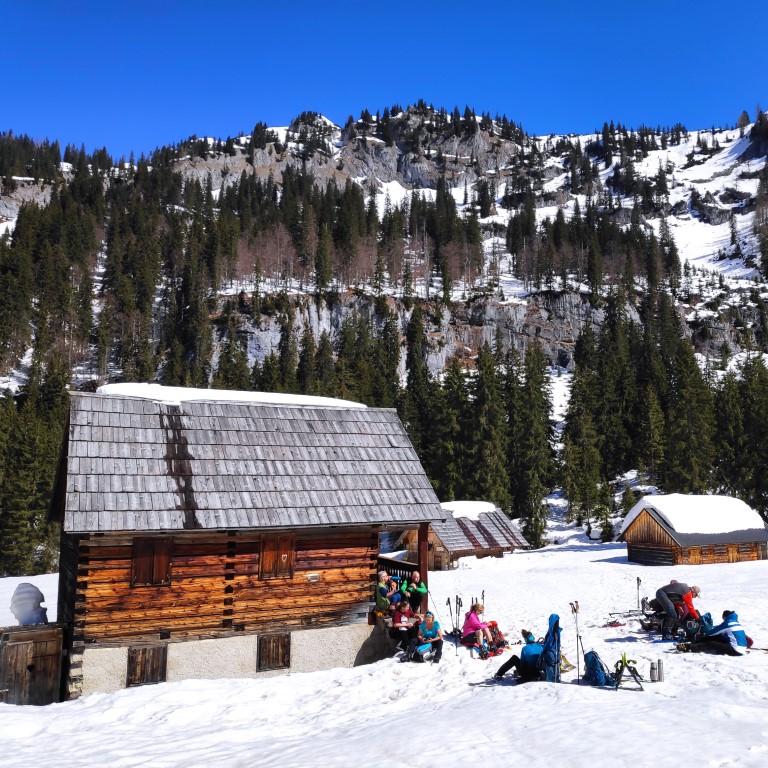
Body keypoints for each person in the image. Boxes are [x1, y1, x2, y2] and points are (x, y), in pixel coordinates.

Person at [680, 610, 749, 655]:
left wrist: (705, 635)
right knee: (718, 637)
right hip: (742, 648)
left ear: (725, 617)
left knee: (711, 643)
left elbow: (713, 632)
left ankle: (690, 647)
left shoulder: (728, 623)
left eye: (723, 618)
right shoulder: (736, 623)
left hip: (735, 650)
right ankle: (696, 643)